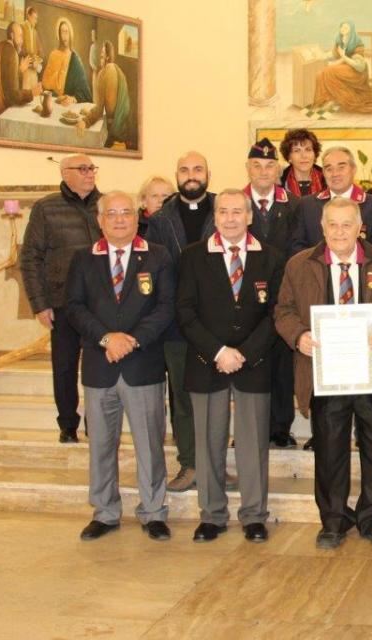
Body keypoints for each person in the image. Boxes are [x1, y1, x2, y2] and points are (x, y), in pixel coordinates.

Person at [274, 197, 372, 549]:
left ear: (360, 226)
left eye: (347, 224)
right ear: (322, 227)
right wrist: (298, 336)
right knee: (330, 451)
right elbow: (284, 311)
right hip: (325, 374)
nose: (339, 231)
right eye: (332, 224)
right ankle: (333, 522)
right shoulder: (299, 265)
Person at [175, 189, 285, 543]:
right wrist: (218, 351)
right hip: (208, 361)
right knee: (209, 441)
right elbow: (185, 312)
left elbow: (276, 314)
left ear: (249, 216)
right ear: (215, 217)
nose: (231, 218)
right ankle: (212, 514)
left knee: (253, 444)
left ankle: (254, 515)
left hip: (254, 362)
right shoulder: (193, 256)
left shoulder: (271, 257)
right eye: (223, 211)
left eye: (238, 211)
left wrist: (245, 353)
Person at [64, 191, 175, 542]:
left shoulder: (156, 256)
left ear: (136, 217)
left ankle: (153, 511)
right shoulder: (83, 259)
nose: (119, 219)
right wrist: (107, 339)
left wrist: (132, 339)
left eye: (126, 212)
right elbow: (75, 307)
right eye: (111, 213)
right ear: (100, 220)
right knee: (100, 444)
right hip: (100, 366)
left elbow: (166, 306)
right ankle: (105, 511)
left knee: (149, 444)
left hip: (143, 365)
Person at [145, 151, 220, 493]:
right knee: (183, 396)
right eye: (184, 170)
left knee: (217, 397)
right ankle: (189, 463)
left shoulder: (224, 209)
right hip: (176, 324)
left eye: (197, 169)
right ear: (177, 175)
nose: (191, 176)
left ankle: (216, 465)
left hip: (218, 324)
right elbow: (157, 271)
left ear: (208, 174)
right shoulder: (160, 219)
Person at [20, 154, 101, 443]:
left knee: (99, 367)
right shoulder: (46, 208)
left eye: (92, 168)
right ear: (65, 173)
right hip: (62, 302)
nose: (90, 174)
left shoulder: (105, 206)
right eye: (83, 169)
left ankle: (98, 423)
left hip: (100, 304)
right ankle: (68, 425)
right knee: (65, 367)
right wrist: (39, 303)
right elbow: (30, 257)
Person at [241, 139, 301, 448]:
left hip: (281, 295)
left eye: (269, 166)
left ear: (277, 169)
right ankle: (249, 429)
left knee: (280, 366)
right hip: (243, 299)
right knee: (250, 363)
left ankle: (280, 427)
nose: (263, 171)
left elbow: (298, 249)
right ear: (247, 168)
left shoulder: (293, 204)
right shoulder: (235, 203)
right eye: (257, 165)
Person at [291, 146, 372, 256]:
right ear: (323, 173)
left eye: (341, 167)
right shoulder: (306, 206)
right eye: (329, 169)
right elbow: (297, 248)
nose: (335, 174)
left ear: (353, 169)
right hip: (315, 271)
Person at [0, 21, 41, 135]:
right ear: (11, 35)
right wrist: (32, 93)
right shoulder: (11, 52)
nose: (22, 41)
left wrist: (19, 70)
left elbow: (4, 81)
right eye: (20, 36)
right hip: (0, 117)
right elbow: (12, 95)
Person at [312, 21, 372, 114]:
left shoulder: (356, 43)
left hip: (356, 72)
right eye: (342, 27)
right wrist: (321, 55)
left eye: (346, 28)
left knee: (329, 71)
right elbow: (334, 54)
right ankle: (327, 100)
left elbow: (360, 67)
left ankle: (333, 100)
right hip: (344, 66)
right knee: (321, 73)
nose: (343, 29)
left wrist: (344, 57)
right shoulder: (339, 40)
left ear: (351, 30)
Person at [77, 41, 133, 149]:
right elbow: (110, 105)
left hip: (113, 134)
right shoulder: (117, 70)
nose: (100, 58)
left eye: (102, 55)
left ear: (107, 57)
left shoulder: (105, 72)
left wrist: (85, 121)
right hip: (123, 130)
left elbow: (99, 110)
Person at [41, 18, 92, 106]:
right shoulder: (53, 55)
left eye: (66, 32)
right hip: (52, 102)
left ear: (70, 34)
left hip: (68, 105)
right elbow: (45, 83)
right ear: (59, 35)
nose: (64, 36)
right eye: (62, 32)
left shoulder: (75, 59)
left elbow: (85, 92)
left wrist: (73, 99)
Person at [279, 129, 326, 197]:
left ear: (315, 154)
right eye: (297, 151)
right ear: (289, 157)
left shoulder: (328, 178)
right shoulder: (278, 182)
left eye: (308, 149)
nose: (304, 156)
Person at [20, 7, 43, 90]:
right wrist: (30, 59)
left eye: (36, 19)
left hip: (34, 67)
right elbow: (20, 47)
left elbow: (39, 49)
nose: (36, 21)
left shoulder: (35, 32)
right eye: (34, 18)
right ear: (28, 16)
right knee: (26, 91)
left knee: (34, 92)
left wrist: (37, 60)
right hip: (25, 65)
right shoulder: (21, 27)